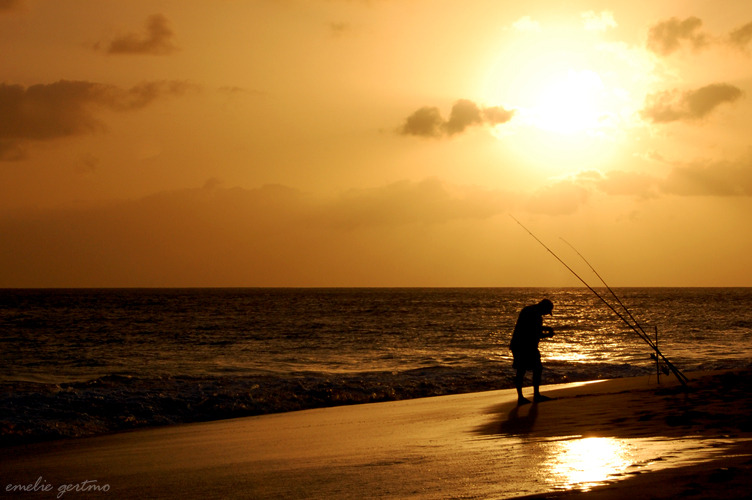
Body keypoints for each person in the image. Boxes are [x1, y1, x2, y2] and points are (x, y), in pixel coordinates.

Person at [510, 299, 554, 405]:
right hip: (521, 345)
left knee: (536, 369)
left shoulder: (535, 313)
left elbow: (536, 330)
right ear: (543, 306)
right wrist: (547, 333)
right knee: (522, 370)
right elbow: (531, 331)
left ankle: (535, 395)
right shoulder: (529, 312)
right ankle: (522, 397)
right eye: (547, 311)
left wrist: (547, 330)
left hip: (529, 346)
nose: (546, 314)